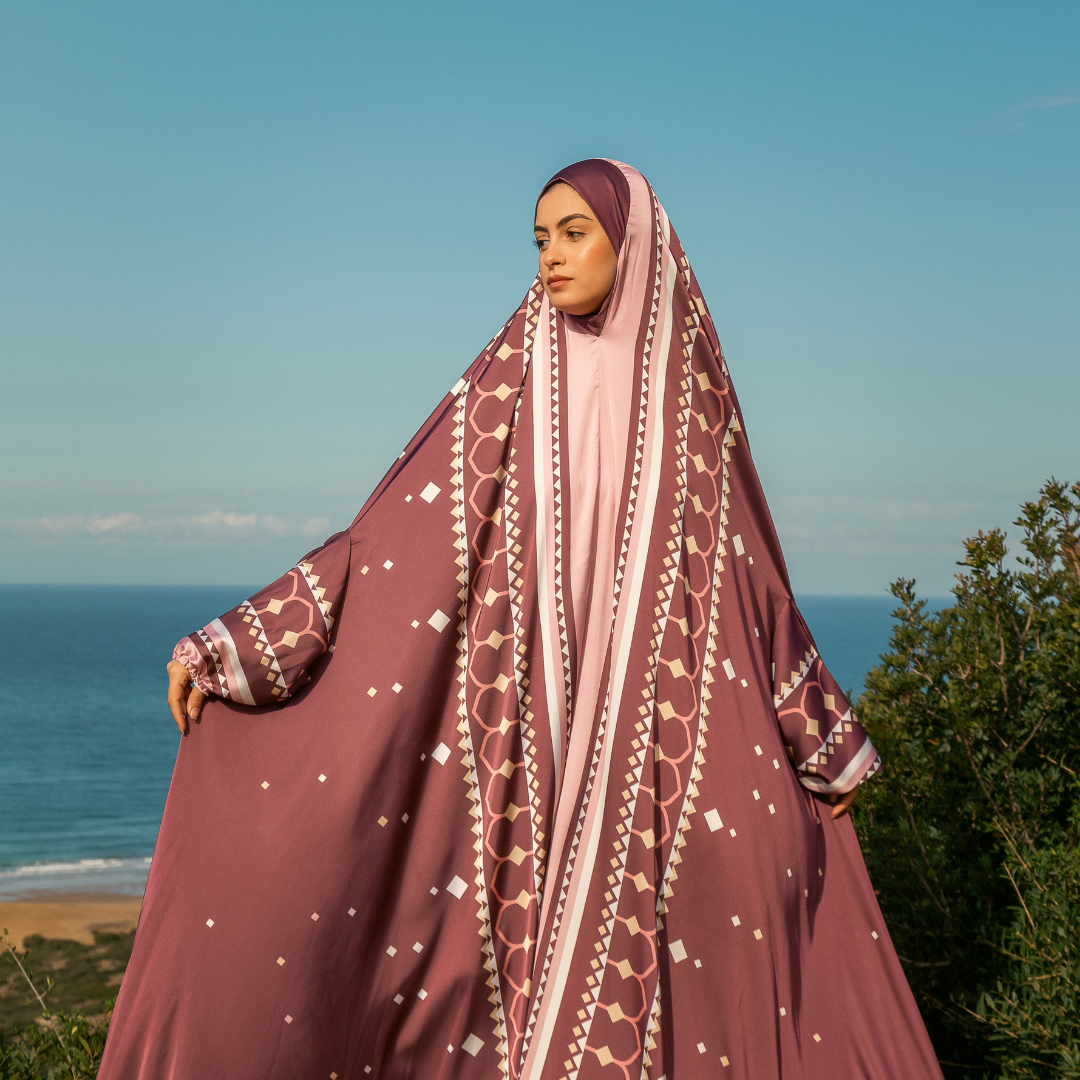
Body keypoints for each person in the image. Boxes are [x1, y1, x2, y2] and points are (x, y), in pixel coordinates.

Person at [100, 160, 943, 1079]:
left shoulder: (691, 401)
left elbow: (750, 580)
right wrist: (242, 646)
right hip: (519, 747)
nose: (551, 256)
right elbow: (382, 546)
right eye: (540, 238)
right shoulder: (506, 385)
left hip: (648, 752)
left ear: (636, 241)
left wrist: (819, 736)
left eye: (575, 232)